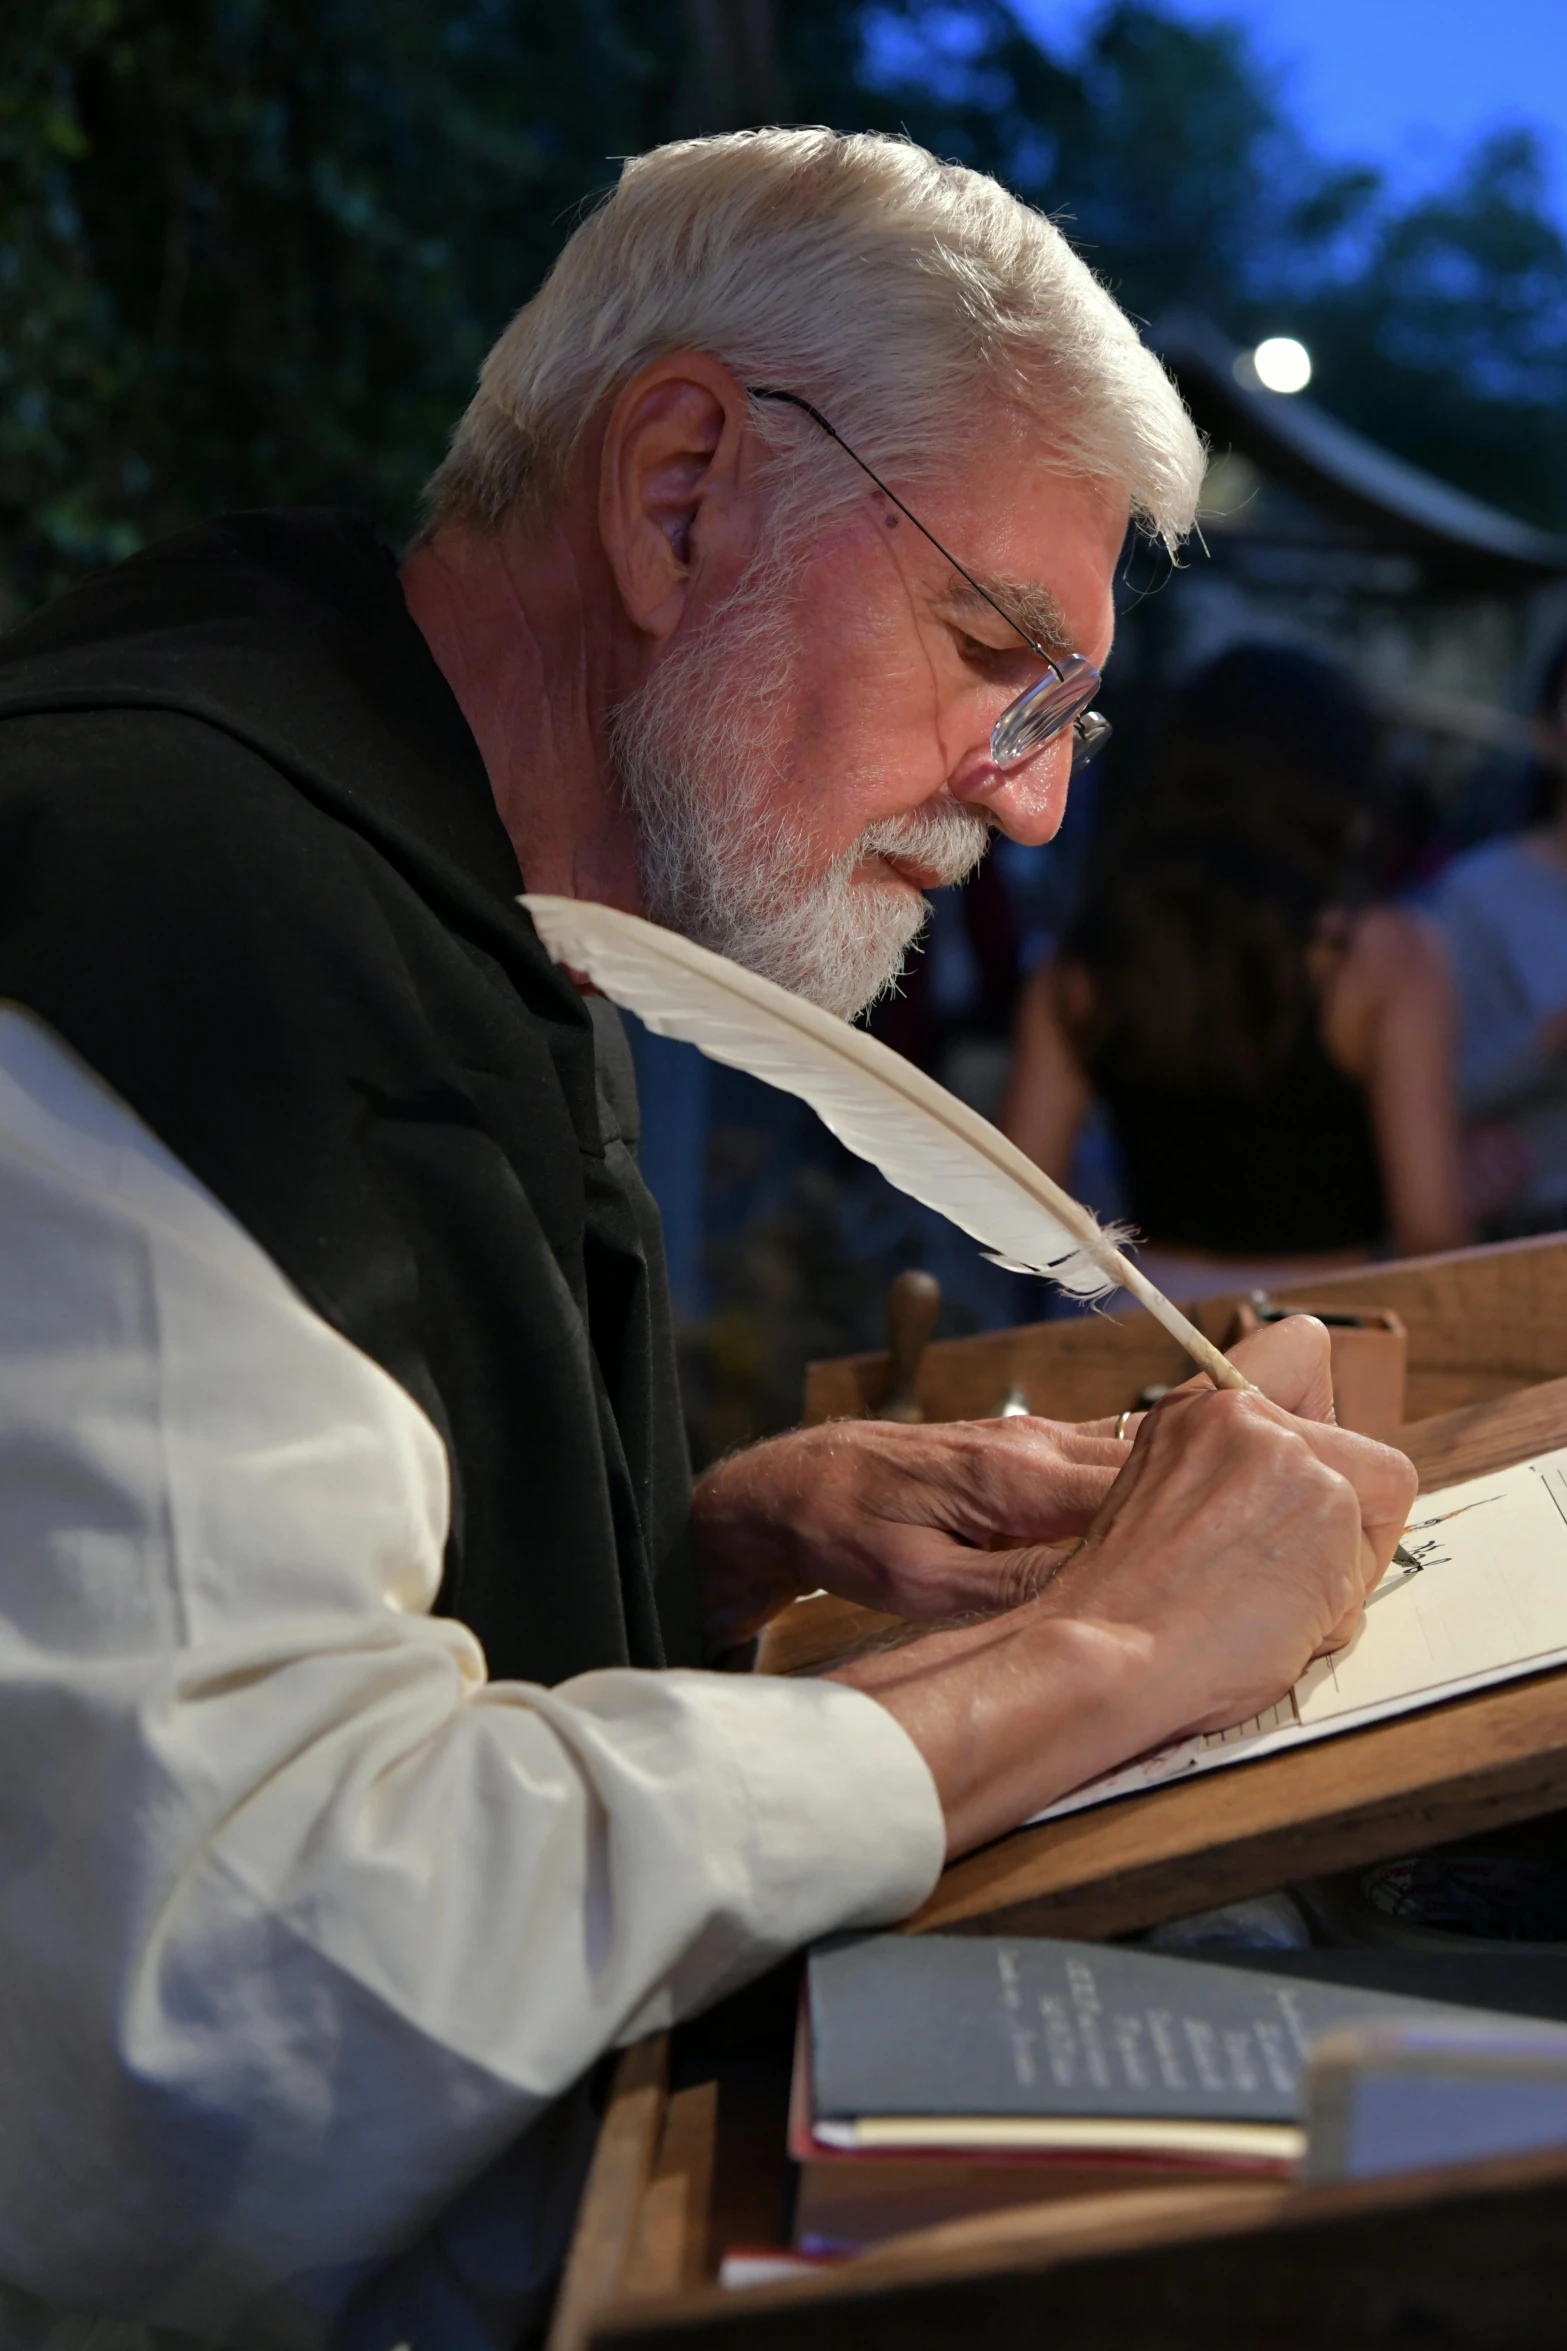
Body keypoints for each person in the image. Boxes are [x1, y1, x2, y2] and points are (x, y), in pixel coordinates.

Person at [0, 132, 1414, 2349]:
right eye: (993, 648)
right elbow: (211, 2039)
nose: (1037, 794)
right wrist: (1105, 1656)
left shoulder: (486, 903)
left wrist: (705, 1530)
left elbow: (276, 1561)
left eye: (1074, 711)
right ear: (679, 494)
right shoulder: (169, 918)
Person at [1003, 643, 1466, 1298]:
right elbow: (1430, 1226)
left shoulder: (1083, 963)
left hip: (1136, 1324)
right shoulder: (1383, 958)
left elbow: (1016, 1206)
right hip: (1325, 1332)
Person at [1433, 636, 1567, 1238]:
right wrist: (1545, 1041)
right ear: (1545, 733)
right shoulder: (1476, 894)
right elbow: (1426, 1091)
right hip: (1527, 1241)